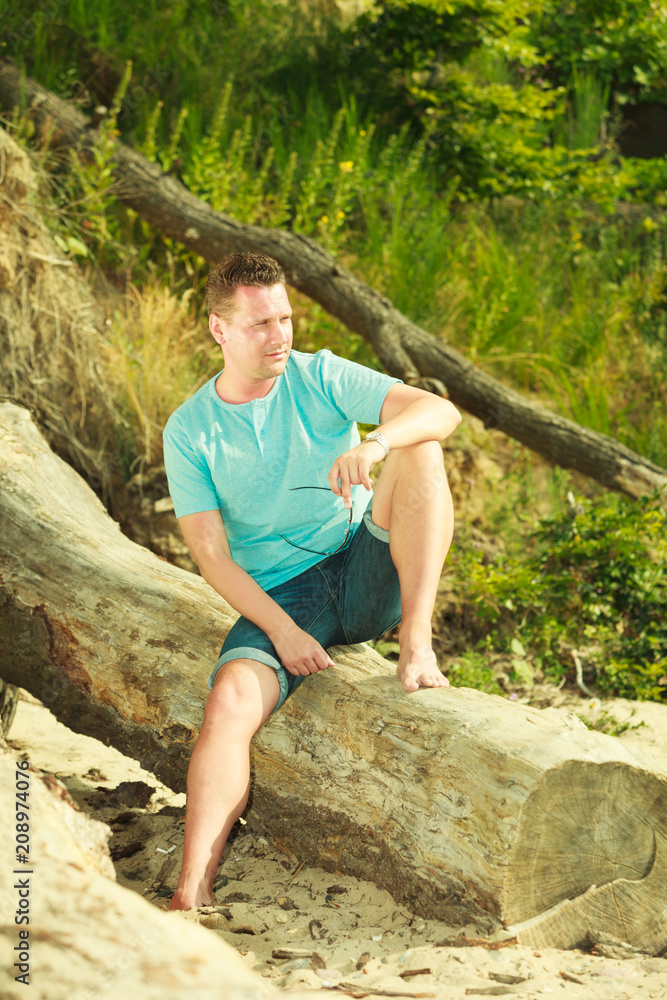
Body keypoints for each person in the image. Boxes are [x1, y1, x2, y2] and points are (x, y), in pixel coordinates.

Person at [163, 252, 462, 911]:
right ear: (218, 329)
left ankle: (416, 644)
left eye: (285, 318)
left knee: (420, 445)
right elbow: (212, 558)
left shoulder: (318, 376)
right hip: (282, 595)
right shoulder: (191, 431)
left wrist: (374, 444)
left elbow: (438, 411)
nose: (279, 336)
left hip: (363, 567)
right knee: (229, 704)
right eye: (259, 324)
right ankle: (191, 892)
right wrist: (281, 629)